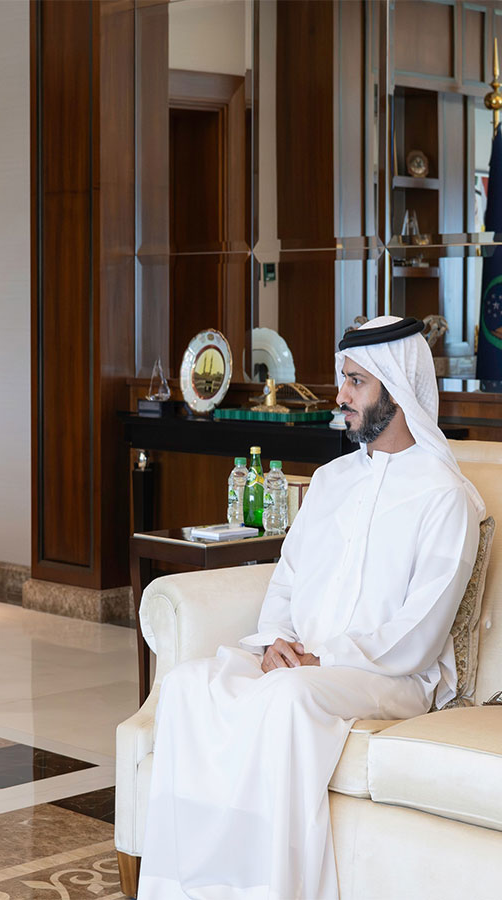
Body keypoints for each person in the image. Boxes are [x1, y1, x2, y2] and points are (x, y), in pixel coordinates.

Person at [137, 315, 486, 900]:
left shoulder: (444, 496)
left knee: (287, 696)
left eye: (355, 383)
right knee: (189, 686)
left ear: (395, 392)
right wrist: (274, 639)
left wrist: (320, 658)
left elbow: (419, 633)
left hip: (391, 675)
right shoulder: (329, 481)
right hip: (303, 661)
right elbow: (288, 581)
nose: (341, 396)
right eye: (342, 379)